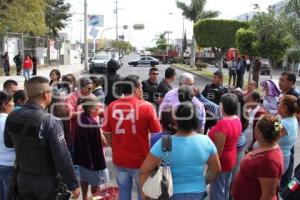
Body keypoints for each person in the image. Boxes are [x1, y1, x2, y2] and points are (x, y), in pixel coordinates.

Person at [4, 76, 80, 199]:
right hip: (46, 183)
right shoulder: (50, 121)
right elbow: (62, 157)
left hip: (22, 179)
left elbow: (9, 143)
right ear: (45, 95)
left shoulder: (12, 115)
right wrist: (73, 184)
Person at [140, 103, 221, 200]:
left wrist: (144, 193)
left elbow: (144, 171)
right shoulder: (206, 141)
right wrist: (203, 181)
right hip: (198, 192)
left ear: (175, 121)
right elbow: (216, 169)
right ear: (196, 120)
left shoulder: (164, 142)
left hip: (170, 192)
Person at [102, 75, 161, 200]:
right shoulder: (147, 107)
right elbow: (157, 134)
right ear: (135, 89)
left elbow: (106, 133)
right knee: (143, 193)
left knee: (123, 192)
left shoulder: (111, 106)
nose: (143, 90)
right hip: (141, 161)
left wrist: (116, 146)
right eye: (141, 87)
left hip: (120, 160)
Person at [232, 115, 284, 200]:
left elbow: (268, 195)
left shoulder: (269, 162)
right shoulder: (265, 146)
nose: (254, 128)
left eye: (256, 125)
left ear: (260, 133)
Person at [208, 93, 242, 200]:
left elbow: (219, 149)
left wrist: (213, 166)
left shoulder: (223, 123)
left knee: (217, 191)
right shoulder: (236, 118)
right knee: (225, 189)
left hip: (221, 161)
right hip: (231, 157)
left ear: (222, 106)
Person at [74, 97, 108, 200]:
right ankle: (94, 197)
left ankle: (84, 197)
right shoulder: (92, 124)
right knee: (96, 182)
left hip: (82, 158)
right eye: (98, 107)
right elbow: (100, 145)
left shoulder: (81, 117)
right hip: (93, 160)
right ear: (91, 109)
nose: (100, 109)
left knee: (84, 178)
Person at [278, 72, 300, 191]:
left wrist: (275, 119)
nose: (280, 82)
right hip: (286, 140)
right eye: (280, 79)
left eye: (283, 80)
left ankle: (283, 191)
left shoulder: (295, 97)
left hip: (285, 144)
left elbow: (274, 133)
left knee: (289, 180)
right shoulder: (284, 94)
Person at [65, 77, 96, 155]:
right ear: (80, 88)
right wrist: (86, 113)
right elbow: (69, 114)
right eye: (89, 89)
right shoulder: (71, 97)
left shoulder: (92, 96)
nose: (91, 91)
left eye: (92, 88)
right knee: (76, 157)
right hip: (76, 133)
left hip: (90, 132)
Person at [0, 92, 15, 200]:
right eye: (11, 101)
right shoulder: (8, 121)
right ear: (5, 105)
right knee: (9, 194)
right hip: (9, 164)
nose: (13, 104)